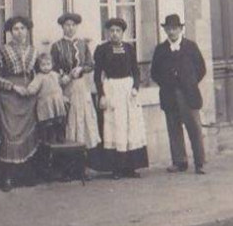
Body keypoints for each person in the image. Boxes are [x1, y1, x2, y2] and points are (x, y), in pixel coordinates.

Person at [150, 14, 208, 175]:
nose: (171, 32)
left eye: (174, 28)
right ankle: (179, 161)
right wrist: (167, 83)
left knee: (195, 129)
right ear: (165, 30)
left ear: (181, 29)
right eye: (168, 29)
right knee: (174, 128)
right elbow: (154, 72)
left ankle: (199, 162)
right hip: (169, 94)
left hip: (188, 95)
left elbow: (201, 69)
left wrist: (189, 83)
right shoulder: (160, 50)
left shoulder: (190, 46)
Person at [93, 17, 149, 179]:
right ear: (108, 33)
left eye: (118, 31)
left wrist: (135, 88)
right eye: (112, 31)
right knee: (115, 127)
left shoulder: (129, 48)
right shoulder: (102, 50)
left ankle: (130, 167)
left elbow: (136, 71)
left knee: (131, 126)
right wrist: (102, 95)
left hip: (127, 90)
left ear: (123, 33)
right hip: (111, 89)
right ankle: (116, 168)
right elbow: (97, 76)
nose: (115, 34)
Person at [0, 15, 39, 191]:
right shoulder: (3, 50)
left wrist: (32, 86)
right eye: (16, 29)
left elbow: (38, 73)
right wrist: (12, 87)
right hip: (10, 97)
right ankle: (7, 177)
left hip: (28, 96)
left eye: (22, 28)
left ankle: (24, 176)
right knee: (10, 135)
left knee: (27, 134)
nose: (19, 32)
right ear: (10, 32)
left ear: (27, 30)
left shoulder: (33, 50)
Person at [51, 12, 100, 150]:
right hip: (66, 87)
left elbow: (91, 64)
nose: (70, 28)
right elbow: (52, 68)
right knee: (69, 115)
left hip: (81, 86)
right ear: (62, 27)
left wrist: (81, 69)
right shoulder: (57, 46)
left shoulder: (82, 44)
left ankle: (84, 153)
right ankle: (70, 150)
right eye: (67, 25)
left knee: (83, 116)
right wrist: (62, 77)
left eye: (73, 25)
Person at [22, 48, 67, 177]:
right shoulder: (39, 77)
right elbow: (33, 87)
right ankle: (49, 138)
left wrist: (66, 77)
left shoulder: (54, 74)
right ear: (39, 66)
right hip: (46, 105)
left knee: (59, 120)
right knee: (48, 122)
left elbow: (62, 81)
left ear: (52, 65)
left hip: (57, 102)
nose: (46, 67)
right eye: (43, 65)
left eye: (48, 64)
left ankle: (60, 136)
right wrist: (28, 90)